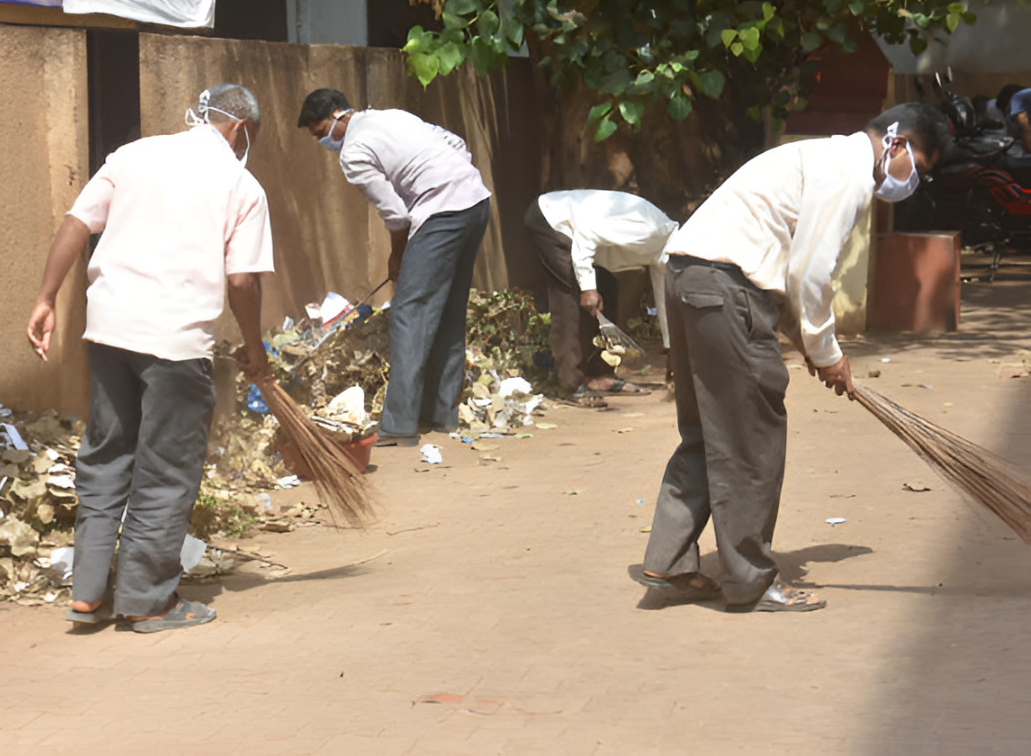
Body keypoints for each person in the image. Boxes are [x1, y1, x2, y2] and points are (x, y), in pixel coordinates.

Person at [631, 102, 950, 612]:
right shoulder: (848, 174)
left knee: (709, 432)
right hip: (725, 289)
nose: (912, 180)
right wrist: (828, 351)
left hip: (690, 280)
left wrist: (808, 346)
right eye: (920, 166)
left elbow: (780, 271)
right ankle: (751, 581)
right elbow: (809, 274)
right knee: (751, 439)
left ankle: (668, 561)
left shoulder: (815, 158)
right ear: (895, 142)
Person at [27, 84, 274, 632]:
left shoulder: (133, 155)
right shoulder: (242, 185)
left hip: (109, 331)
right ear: (241, 130)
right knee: (165, 471)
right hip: (175, 344)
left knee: (106, 455)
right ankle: (145, 601)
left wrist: (46, 299)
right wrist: (255, 352)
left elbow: (76, 223)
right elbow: (242, 280)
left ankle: (88, 593)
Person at [297, 88, 491, 446]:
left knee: (408, 311)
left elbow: (395, 213)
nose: (323, 140)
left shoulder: (353, 153)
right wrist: (453, 177)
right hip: (475, 201)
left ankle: (400, 425)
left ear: (338, 114)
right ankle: (441, 414)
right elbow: (456, 143)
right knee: (448, 309)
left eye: (321, 130)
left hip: (442, 212)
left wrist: (397, 255)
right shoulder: (392, 116)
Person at [524, 190, 678, 402]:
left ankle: (599, 374)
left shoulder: (667, 252)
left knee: (606, 285)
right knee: (570, 293)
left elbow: (664, 299)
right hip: (552, 219)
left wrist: (671, 348)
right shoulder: (651, 231)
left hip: (577, 235)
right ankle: (571, 384)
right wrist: (588, 288)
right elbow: (586, 233)